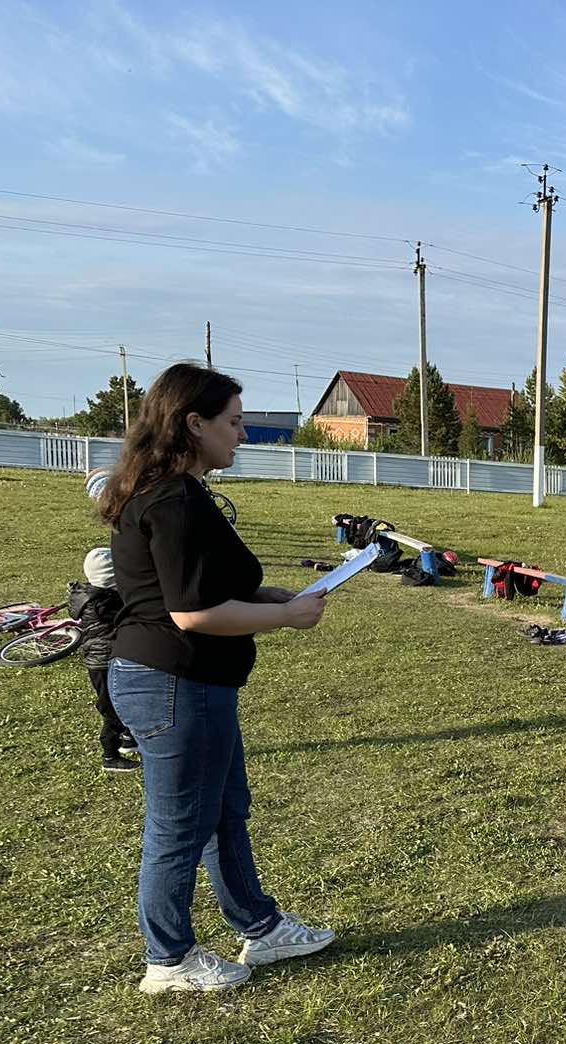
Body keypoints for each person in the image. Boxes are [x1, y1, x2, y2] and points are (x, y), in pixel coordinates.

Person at [100, 362, 338, 996]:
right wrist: (283, 617)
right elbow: (190, 612)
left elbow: (201, 584)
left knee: (224, 811)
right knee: (179, 823)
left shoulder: (171, 490)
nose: (242, 435)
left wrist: (266, 593)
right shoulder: (174, 499)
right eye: (234, 423)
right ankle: (169, 957)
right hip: (174, 681)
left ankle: (259, 927)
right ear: (193, 423)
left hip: (186, 682)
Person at [69, 547, 139, 773]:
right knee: (113, 708)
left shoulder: (87, 595)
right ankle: (110, 755)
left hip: (100, 660)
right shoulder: (104, 603)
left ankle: (129, 738)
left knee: (126, 700)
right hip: (105, 661)